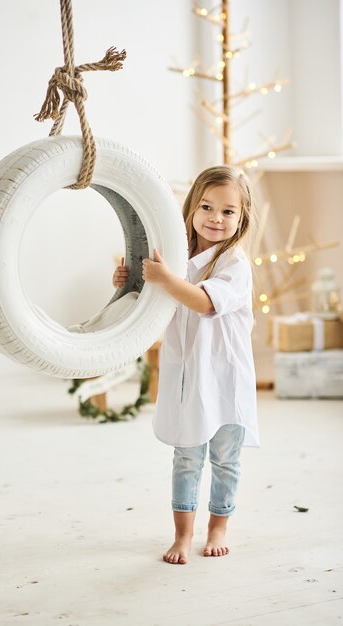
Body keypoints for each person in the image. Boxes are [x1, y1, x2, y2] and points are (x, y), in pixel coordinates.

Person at [113, 165, 259, 565]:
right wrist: (130, 280)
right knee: (187, 455)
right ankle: (182, 534)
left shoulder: (234, 264)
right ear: (192, 208)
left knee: (225, 458)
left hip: (225, 376)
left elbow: (203, 302)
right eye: (207, 207)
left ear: (242, 218)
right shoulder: (179, 257)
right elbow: (152, 296)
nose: (216, 218)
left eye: (228, 212)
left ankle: (218, 526)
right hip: (187, 376)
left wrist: (164, 278)